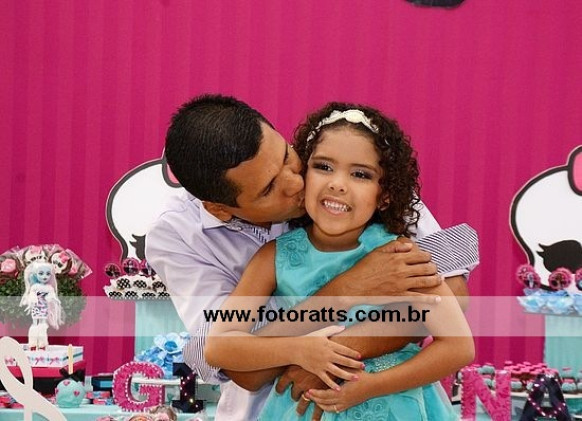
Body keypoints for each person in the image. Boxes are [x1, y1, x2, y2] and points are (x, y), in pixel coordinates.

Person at [145, 94, 477, 420]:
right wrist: (342, 294)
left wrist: (338, 358)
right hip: (281, 407)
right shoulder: (183, 237)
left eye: (287, 157)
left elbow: (454, 297)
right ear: (220, 208)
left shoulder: (351, 159)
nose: (295, 182)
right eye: (268, 188)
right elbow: (236, 364)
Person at [20, 260, 64, 349]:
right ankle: (33, 343)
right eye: (41, 273)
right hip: (36, 308)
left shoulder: (49, 288)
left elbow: (52, 297)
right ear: (35, 274)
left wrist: (50, 298)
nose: (45, 276)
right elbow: (31, 295)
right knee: (35, 323)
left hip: (44, 308)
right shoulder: (35, 287)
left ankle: (42, 343)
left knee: (43, 324)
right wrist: (33, 298)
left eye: (48, 274)